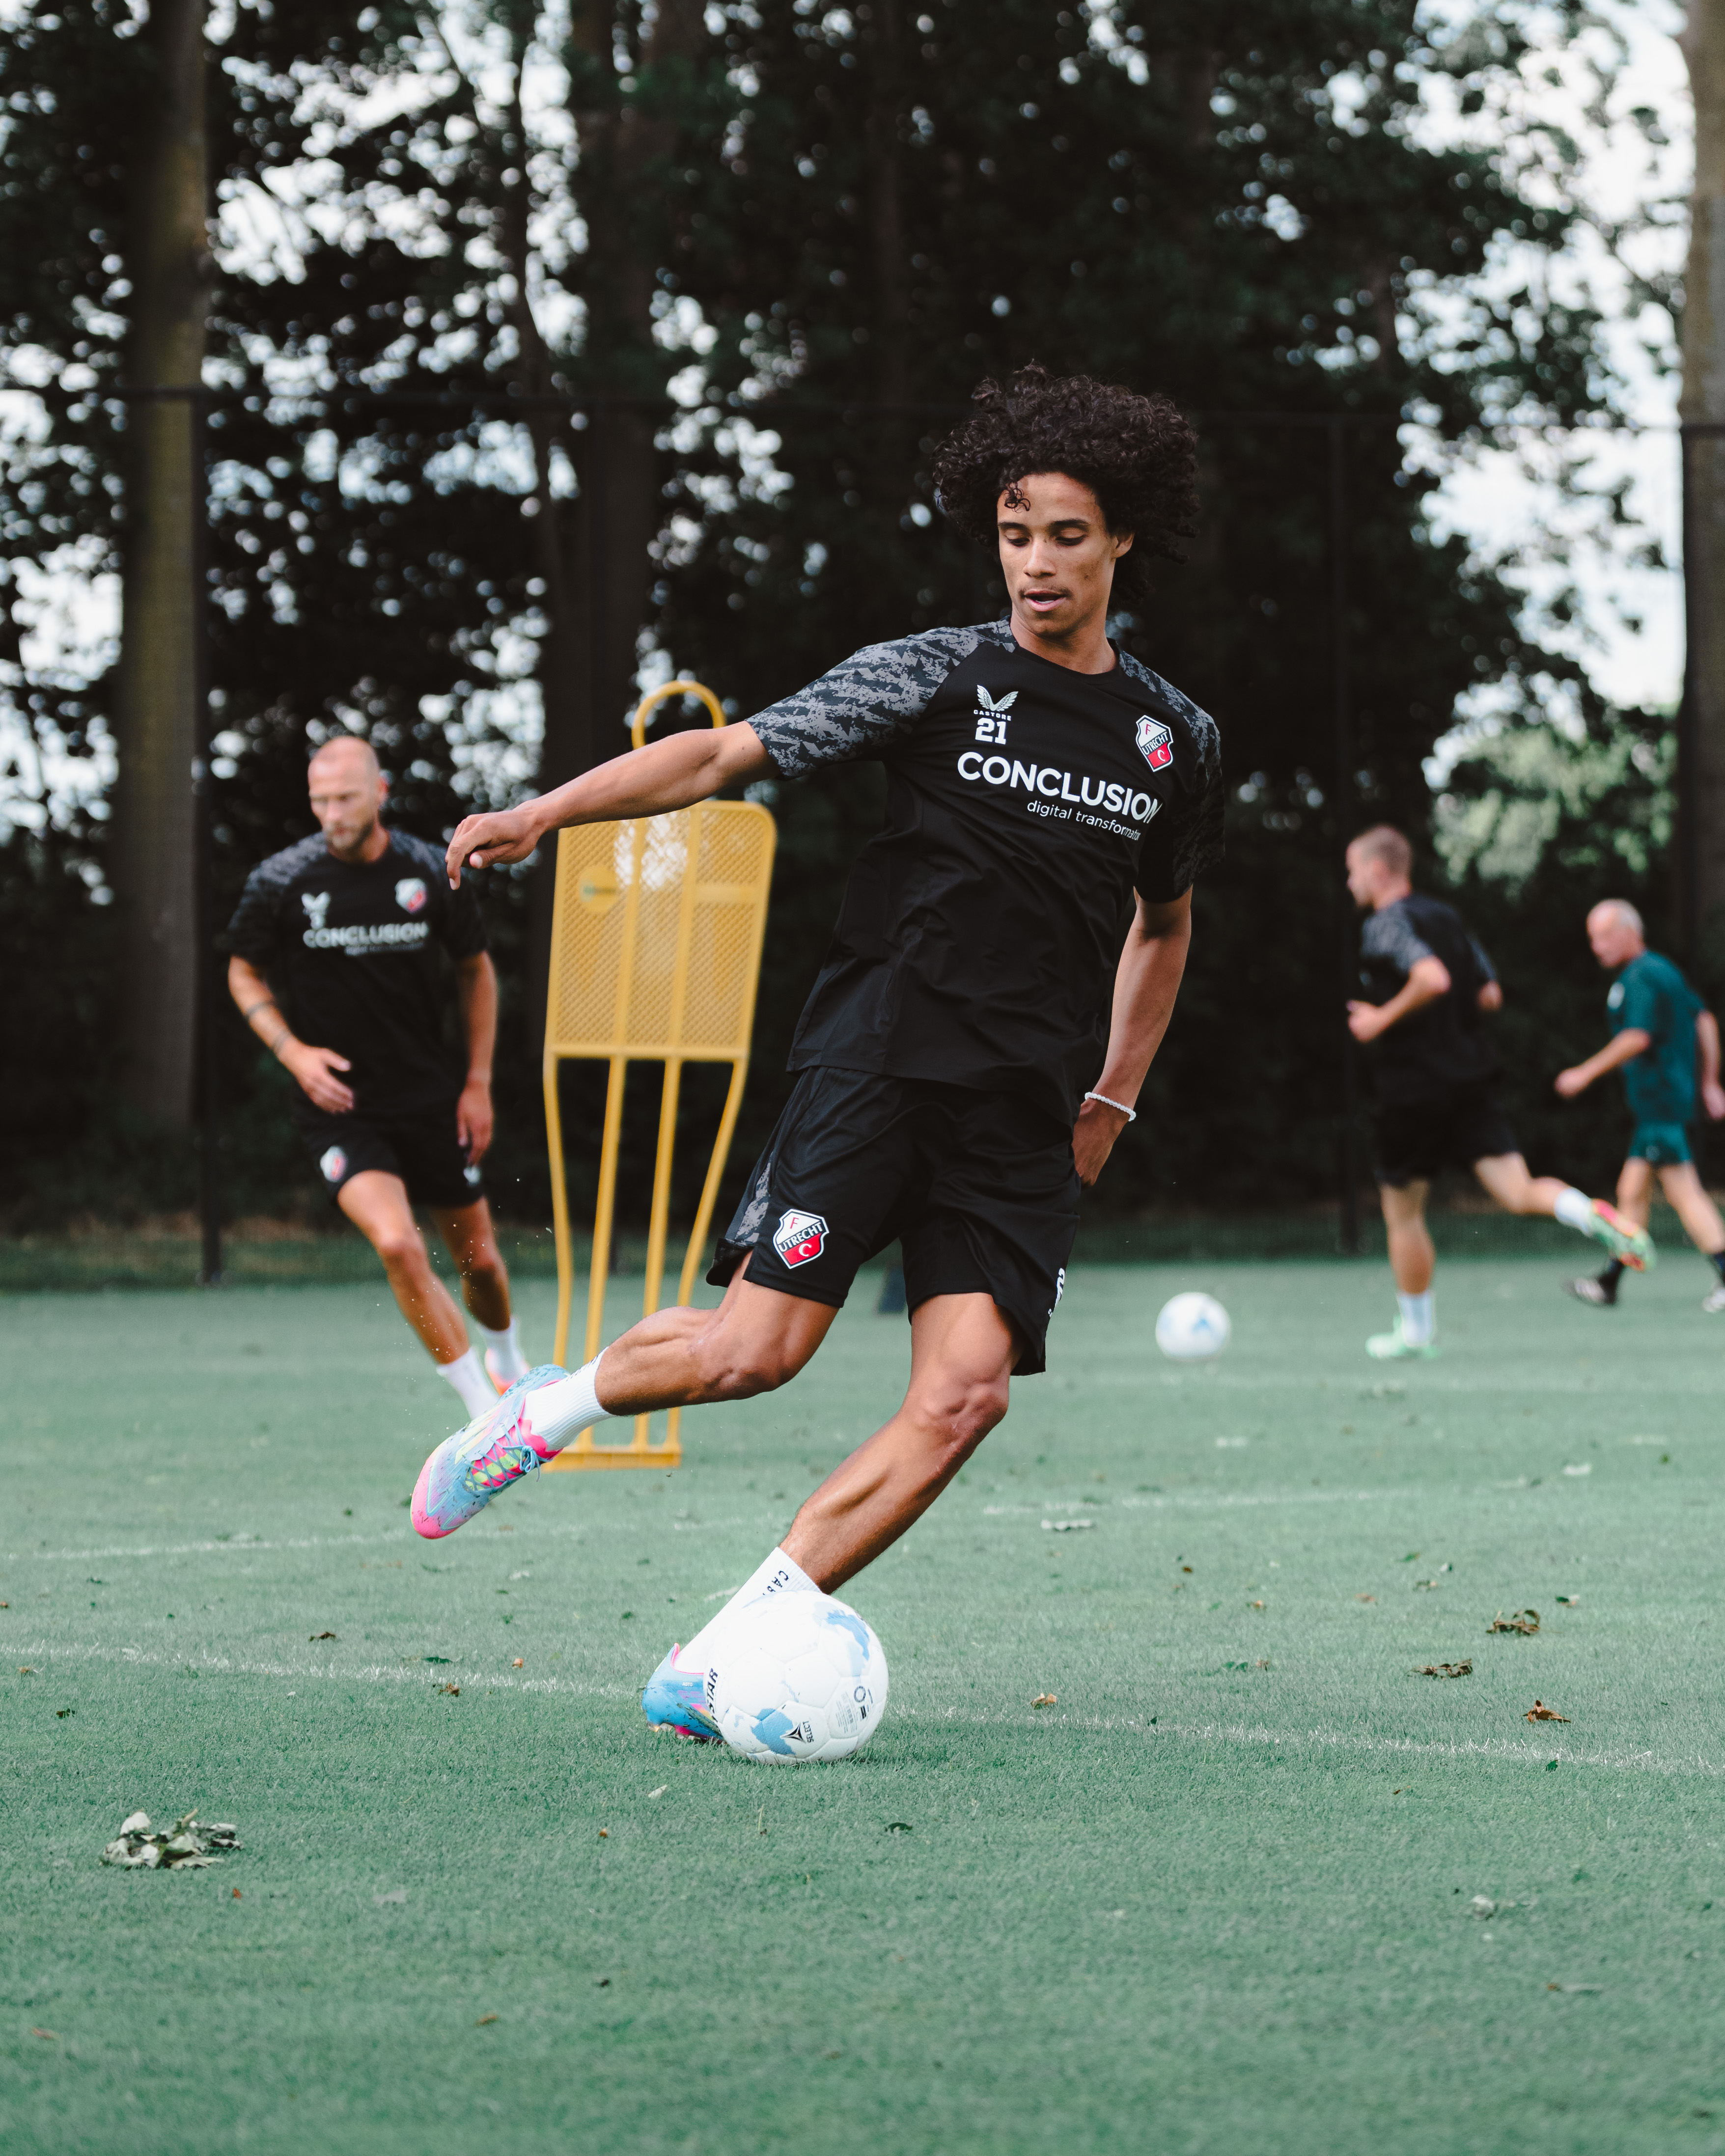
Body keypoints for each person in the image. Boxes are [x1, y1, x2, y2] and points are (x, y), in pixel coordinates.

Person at [410, 364, 1225, 1741]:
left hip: (1023, 1113)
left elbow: (1166, 925)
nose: (1036, 562)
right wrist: (550, 809)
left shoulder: (1176, 740)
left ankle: (718, 1650)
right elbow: (720, 756)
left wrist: (1113, 1095)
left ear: (1122, 538)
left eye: (1066, 534)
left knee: (964, 1397)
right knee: (753, 1353)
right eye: (1016, 531)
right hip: (881, 1063)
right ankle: (547, 1408)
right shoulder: (933, 673)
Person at [225, 736, 530, 1420]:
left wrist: (477, 1081)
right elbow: (242, 969)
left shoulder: (429, 868)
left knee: (479, 1263)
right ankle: (485, 1415)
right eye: (319, 800)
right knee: (396, 1241)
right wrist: (293, 1052)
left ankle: (508, 1360)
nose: (331, 812)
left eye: (345, 798)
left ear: (379, 793)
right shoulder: (280, 881)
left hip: (430, 1096)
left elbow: (476, 969)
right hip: (340, 1106)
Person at [1345, 825, 1649, 1360]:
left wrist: (1378, 1019)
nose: (1348, 882)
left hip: (1413, 1085)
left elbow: (1432, 978)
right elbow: (1487, 993)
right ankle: (1589, 1214)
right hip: (1469, 1076)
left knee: (1403, 1213)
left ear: (1376, 869)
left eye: (1351, 870)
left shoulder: (1383, 924)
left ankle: (1416, 1334)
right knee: (1517, 1190)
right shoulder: (1447, 918)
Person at [1556, 899, 1725, 1311]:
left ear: (1631, 931)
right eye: (1592, 937)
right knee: (1631, 1193)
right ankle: (1610, 1283)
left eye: (1603, 935)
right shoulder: (1663, 970)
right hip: (1665, 1102)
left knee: (1685, 1194)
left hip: (1661, 1103)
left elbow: (1638, 1037)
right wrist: (1709, 1082)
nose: (1597, 946)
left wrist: (1584, 1073)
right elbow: (1704, 1020)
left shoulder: (1641, 977)